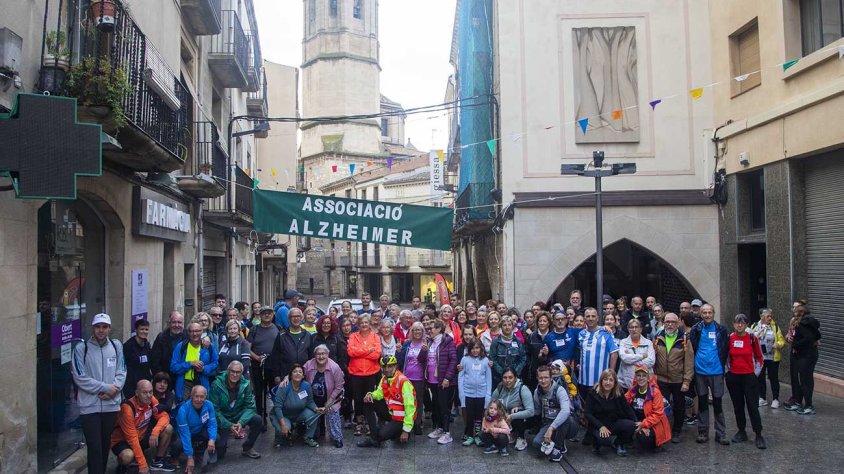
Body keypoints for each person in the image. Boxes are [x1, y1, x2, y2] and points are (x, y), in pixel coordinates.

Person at [71, 313, 126, 474]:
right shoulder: (82, 349)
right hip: (89, 406)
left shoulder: (116, 346)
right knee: (94, 446)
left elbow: (122, 371)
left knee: (104, 445)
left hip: (110, 405)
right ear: (92, 328)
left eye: (104, 327)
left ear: (109, 328)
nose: (101, 330)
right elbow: (80, 377)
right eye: (97, 327)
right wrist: (106, 388)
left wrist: (113, 391)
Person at [111, 379, 175, 474]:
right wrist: (143, 465)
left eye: (150, 392)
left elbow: (164, 416)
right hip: (123, 440)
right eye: (144, 392)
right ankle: (122, 466)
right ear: (137, 393)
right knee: (127, 456)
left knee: (168, 428)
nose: (148, 395)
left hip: (142, 435)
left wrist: (155, 432)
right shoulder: (127, 408)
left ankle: (158, 461)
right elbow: (132, 438)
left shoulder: (151, 400)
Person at [688, 304, 730, 445]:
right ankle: (703, 431)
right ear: (700, 314)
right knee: (703, 402)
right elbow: (693, 347)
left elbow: (725, 349)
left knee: (717, 402)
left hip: (716, 371)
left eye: (709, 312)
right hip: (700, 371)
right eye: (704, 312)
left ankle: (721, 433)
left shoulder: (721, 330)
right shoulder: (696, 329)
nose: (707, 315)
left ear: (713, 313)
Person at [356, 355, 418, 448]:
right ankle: (374, 437)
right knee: (368, 401)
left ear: (395, 366)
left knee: (382, 435)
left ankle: (401, 432)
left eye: (390, 366)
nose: (387, 369)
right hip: (391, 413)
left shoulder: (403, 382)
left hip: (401, 418)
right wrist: (370, 395)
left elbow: (410, 408)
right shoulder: (384, 378)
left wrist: (406, 430)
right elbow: (379, 393)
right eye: (384, 367)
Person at [725, 314, 766, 449]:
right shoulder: (730, 338)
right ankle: (741, 431)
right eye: (737, 323)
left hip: (749, 377)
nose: (739, 325)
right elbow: (726, 357)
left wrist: (755, 374)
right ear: (733, 324)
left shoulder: (752, 339)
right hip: (734, 377)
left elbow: (760, 358)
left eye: (742, 323)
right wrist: (727, 372)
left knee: (752, 407)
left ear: (746, 325)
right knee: (738, 406)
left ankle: (758, 434)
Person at [208, 361, 262, 460]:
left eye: (238, 372)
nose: (235, 374)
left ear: (241, 373)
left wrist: (241, 422)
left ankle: (248, 447)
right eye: (232, 371)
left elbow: (250, 407)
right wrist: (229, 425)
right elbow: (214, 410)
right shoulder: (216, 384)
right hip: (223, 417)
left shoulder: (245, 384)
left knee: (257, 419)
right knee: (220, 454)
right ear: (228, 371)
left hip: (238, 415)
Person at [653, 312, 693, 442]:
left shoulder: (684, 339)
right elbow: (653, 358)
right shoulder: (658, 338)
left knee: (679, 406)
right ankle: (663, 430)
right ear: (663, 323)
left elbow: (689, 362)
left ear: (678, 323)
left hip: (678, 379)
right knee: (661, 406)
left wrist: (686, 381)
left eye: (673, 322)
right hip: (661, 379)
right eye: (667, 322)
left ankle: (676, 431)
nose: (670, 324)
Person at [421, 319, 458, 444]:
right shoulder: (429, 342)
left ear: (439, 329)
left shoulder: (448, 342)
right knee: (436, 405)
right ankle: (440, 428)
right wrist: (423, 350)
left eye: (431, 328)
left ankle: (447, 433)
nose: (429, 330)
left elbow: (453, 360)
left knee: (444, 406)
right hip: (432, 380)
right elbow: (422, 360)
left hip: (444, 381)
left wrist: (447, 378)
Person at [584, 369, 636, 456]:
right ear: (601, 381)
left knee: (631, 425)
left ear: (615, 382)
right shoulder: (593, 393)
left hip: (613, 423)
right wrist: (601, 426)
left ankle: (619, 443)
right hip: (597, 425)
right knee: (605, 441)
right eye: (605, 379)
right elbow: (587, 413)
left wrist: (637, 422)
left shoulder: (618, 392)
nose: (608, 383)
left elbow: (627, 408)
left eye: (611, 380)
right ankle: (595, 442)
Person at [303, 344, 346, 447]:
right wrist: (286, 378)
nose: (321, 356)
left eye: (323, 354)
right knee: (315, 432)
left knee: (332, 412)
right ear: (314, 355)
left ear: (328, 354)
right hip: (313, 400)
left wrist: (330, 401)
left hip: (332, 398)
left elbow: (339, 386)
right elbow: (297, 373)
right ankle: (313, 434)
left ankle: (337, 438)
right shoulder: (308, 365)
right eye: (318, 354)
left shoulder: (334, 367)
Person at [347, 314, 382, 436]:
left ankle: (368, 422)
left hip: (371, 373)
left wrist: (360, 352)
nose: (364, 324)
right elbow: (351, 352)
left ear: (369, 323)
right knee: (357, 398)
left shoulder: (375, 337)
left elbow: (376, 355)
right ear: (358, 324)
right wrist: (368, 350)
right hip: (356, 373)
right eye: (362, 322)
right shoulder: (353, 336)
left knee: (368, 398)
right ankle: (358, 422)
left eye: (366, 322)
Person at [532, 365, 576, 462]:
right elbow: (537, 410)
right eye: (540, 378)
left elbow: (566, 411)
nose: (543, 381)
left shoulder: (560, 390)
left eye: (546, 377)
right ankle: (556, 441)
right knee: (536, 443)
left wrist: (551, 428)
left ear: (551, 378)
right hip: (548, 422)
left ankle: (558, 447)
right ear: (537, 378)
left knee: (565, 417)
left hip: (567, 424)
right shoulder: (537, 392)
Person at [270, 364, 320, 447]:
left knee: (314, 414)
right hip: (283, 415)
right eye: (295, 372)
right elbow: (277, 407)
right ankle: (278, 438)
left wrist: (316, 409)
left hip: (298, 414)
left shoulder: (306, 386)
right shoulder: (284, 386)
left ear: (303, 376)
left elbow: (310, 402)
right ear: (291, 375)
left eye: (300, 372)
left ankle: (308, 437)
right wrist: (283, 425)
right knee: (284, 429)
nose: (298, 373)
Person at [784, 304, 822, 415]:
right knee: (802, 379)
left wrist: (796, 344)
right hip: (805, 355)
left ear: (799, 313)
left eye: (794, 310)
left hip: (806, 356)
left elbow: (809, 338)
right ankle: (798, 402)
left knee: (805, 380)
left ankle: (809, 406)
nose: (793, 311)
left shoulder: (803, 324)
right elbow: (817, 336)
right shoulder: (809, 323)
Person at [246, 306, 280, 428]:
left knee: (275, 393)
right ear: (260, 315)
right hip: (257, 366)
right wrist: (256, 357)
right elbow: (247, 348)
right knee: (259, 393)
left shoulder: (278, 329)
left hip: (273, 366)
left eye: (269, 313)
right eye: (264, 313)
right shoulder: (254, 329)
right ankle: (261, 419)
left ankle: (278, 418)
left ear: (272, 315)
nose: (267, 315)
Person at [624, 366, 671, 452]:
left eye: (644, 376)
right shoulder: (633, 390)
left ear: (648, 378)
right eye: (638, 375)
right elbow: (622, 402)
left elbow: (658, 414)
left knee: (643, 438)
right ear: (635, 378)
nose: (641, 378)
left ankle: (657, 443)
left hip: (653, 423)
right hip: (638, 421)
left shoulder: (655, 392)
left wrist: (643, 424)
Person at [171, 322, 219, 401]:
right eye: (192, 331)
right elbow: (173, 367)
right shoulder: (181, 346)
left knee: (202, 405)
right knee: (184, 406)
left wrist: (204, 369)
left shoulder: (208, 346)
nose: (194, 334)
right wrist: (190, 364)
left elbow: (215, 363)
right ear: (188, 333)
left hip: (202, 383)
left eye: (197, 331)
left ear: (202, 332)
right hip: (185, 384)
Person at [174, 386, 216, 474]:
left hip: (198, 431)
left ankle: (199, 451)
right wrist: (189, 457)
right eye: (196, 396)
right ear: (191, 396)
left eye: (202, 397)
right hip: (183, 433)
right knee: (177, 444)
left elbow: (212, 423)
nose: (199, 400)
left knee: (216, 437)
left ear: (206, 397)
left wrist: (212, 439)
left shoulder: (209, 405)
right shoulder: (183, 410)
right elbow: (185, 434)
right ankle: (174, 457)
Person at [458, 339, 492, 446]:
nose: (475, 350)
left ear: (481, 348)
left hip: (481, 394)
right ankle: (469, 436)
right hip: (468, 393)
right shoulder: (465, 360)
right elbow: (461, 377)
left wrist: (488, 395)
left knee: (478, 416)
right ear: (469, 349)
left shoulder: (485, 360)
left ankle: (477, 436)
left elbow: (488, 378)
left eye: (477, 348)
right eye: (472, 348)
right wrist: (462, 394)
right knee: (469, 415)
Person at [397, 321, 428, 435]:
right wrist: (398, 351)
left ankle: (417, 423)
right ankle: (407, 423)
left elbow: (424, 360)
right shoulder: (407, 343)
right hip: (407, 377)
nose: (417, 332)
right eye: (414, 330)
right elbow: (400, 360)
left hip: (419, 378)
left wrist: (424, 351)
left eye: (419, 330)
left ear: (422, 331)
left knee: (418, 401)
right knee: (407, 401)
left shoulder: (426, 343)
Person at [491, 368, 535, 450]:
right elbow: (491, 404)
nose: (507, 380)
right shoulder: (500, 388)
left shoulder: (523, 389)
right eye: (505, 377)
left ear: (515, 378)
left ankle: (521, 438)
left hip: (521, 419)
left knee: (516, 411)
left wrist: (513, 415)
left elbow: (531, 411)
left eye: (510, 377)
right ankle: (512, 433)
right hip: (504, 417)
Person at [578, 308, 619, 394]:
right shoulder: (581, 334)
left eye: (593, 316)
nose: (590, 318)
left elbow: (614, 354)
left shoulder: (606, 333)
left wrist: (610, 374)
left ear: (597, 318)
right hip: (583, 380)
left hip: (601, 381)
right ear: (584, 318)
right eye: (588, 316)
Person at [751, 308, 785, 409]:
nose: (770, 318)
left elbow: (782, 340)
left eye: (771, 316)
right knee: (760, 378)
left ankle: (775, 399)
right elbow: (750, 338)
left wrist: (778, 344)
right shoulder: (754, 326)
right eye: (767, 316)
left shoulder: (775, 327)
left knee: (773, 378)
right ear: (761, 316)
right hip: (760, 357)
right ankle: (762, 397)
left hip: (772, 357)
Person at [271, 308, 314, 384]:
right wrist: (276, 375)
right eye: (293, 316)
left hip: (304, 376)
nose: (296, 318)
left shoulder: (307, 335)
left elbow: (311, 356)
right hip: (285, 376)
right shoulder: (281, 335)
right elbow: (275, 356)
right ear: (289, 319)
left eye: (298, 316)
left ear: (301, 318)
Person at [489, 316, 527, 389]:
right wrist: (503, 373)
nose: (507, 327)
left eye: (509, 325)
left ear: (512, 326)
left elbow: (523, 358)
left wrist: (515, 372)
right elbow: (493, 359)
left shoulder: (518, 341)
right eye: (504, 325)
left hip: (516, 377)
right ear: (501, 326)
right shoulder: (495, 341)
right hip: (499, 378)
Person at [617, 319, 655, 390]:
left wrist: (631, 359)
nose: (634, 329)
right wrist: (642, 356)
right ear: (628, 329)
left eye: (636, 327)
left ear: (640, 329)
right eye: (631, 327)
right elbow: (624, 358)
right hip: (626, 383)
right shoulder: (623, 342)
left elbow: (651, 361)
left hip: (644, 384)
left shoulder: (648, 343)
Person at [150, 311, 186, 378]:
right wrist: (161, 378)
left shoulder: (188, 337)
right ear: (169, 323)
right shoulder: (161, 337)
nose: (176, 325)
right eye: (174, 322)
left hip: (184, 377)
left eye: (179, 322)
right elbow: (154, 361)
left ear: (183, 324)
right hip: (166, 378)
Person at [123, 318, 153, 399]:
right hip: (131, 386)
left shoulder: (147, 345)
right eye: (142, 329)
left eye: (146, 329)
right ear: (136, 330)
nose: (144, 331)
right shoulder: (128, 346)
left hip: (145, 385)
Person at [526, 311, 551, 390]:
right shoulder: (531, 336)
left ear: (548, 323)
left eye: (544, 321)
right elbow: (527, 354)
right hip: (534, 373)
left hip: (550, 372)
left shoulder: (552, 336)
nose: (542, 323)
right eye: (540, 321)